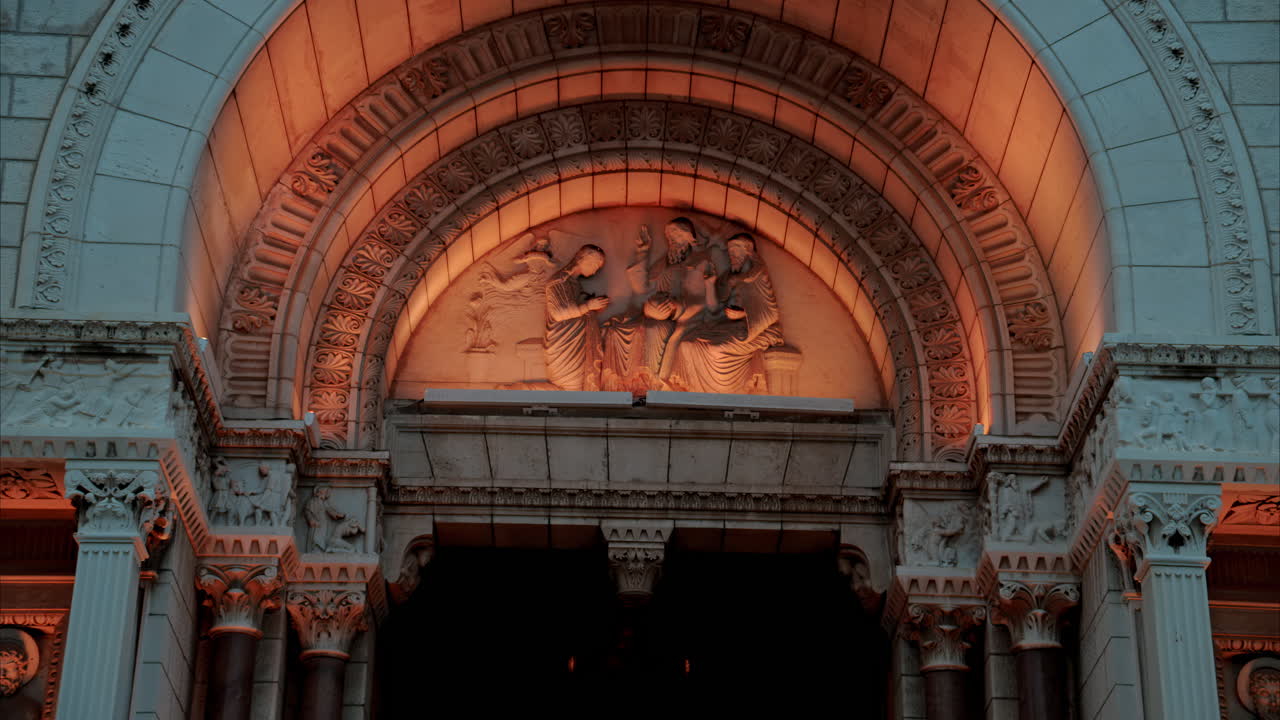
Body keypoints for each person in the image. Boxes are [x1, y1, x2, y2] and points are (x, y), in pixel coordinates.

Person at [663, 233, 783, 394]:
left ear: (748, 251)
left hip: (753, 329)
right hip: (725, 327)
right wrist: (710, 285)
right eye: (730, 251)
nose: (731, 255)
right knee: (686, 344)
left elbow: (772, 313)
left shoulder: (758, 276)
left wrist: (743, 315)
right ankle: (688, 392)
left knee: (716, 349)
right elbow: (714, 310)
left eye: (735, 251)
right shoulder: (728, 277)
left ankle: (720, 393)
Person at [544, 244, 609, 391]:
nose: (595, 271)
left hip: (577, 342)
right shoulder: (558, 282)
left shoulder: (575, 285)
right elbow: (559, 312)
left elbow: (578, 311)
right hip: (562, 341)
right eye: (596, 265)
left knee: (577, 386)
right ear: (582, 259)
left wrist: (593, 307)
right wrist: (588, 306)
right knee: (567, 385)